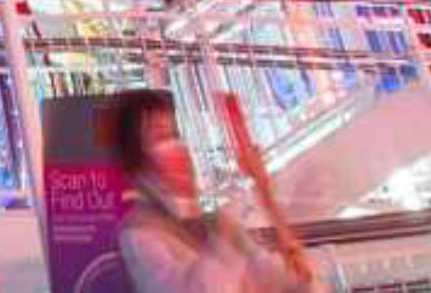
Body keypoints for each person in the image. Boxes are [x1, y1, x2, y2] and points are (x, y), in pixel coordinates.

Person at [105, 89, 316, 293]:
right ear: (138, 160)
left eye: (174, 135)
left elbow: (283, 282)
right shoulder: (139, 234)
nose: (179, 149)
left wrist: (265, 194)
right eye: (160, 137)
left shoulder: (217, 224)